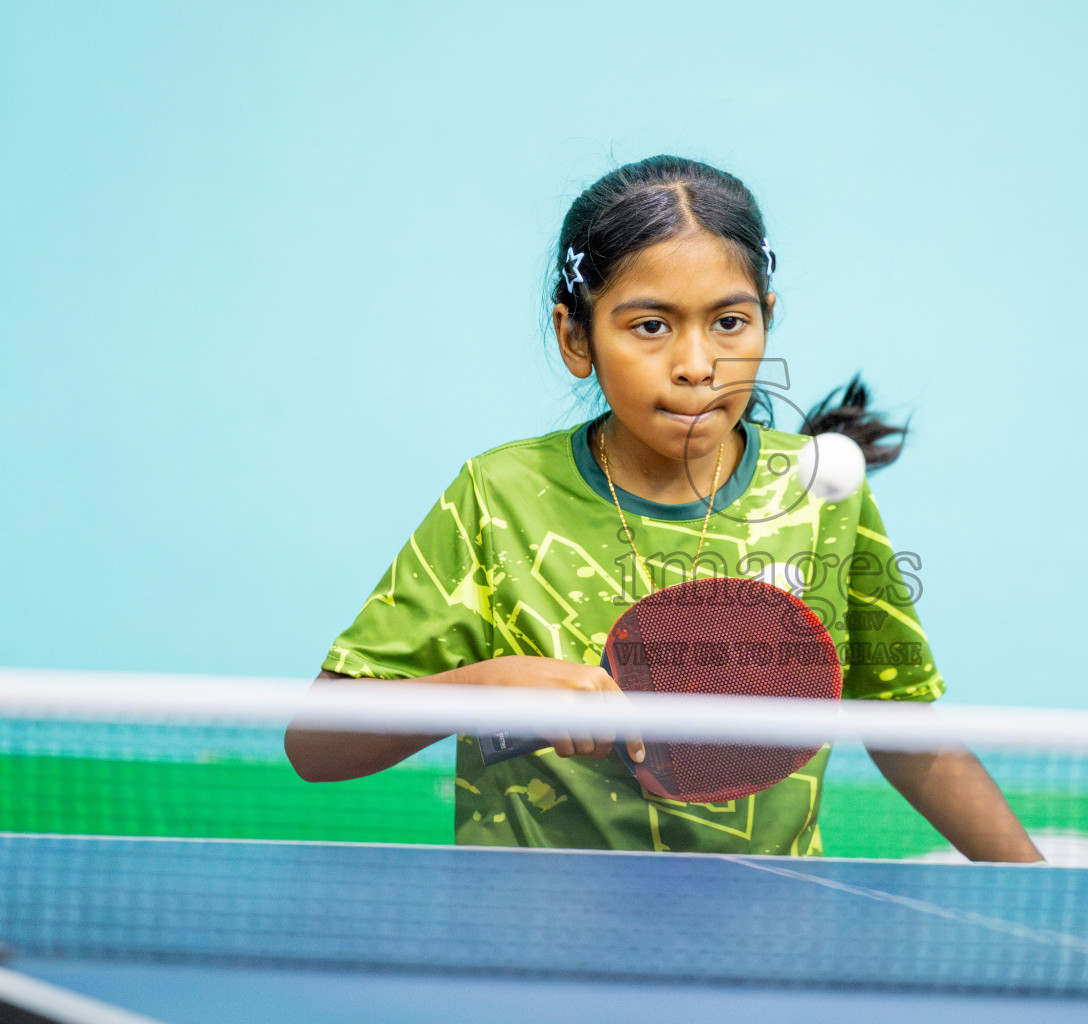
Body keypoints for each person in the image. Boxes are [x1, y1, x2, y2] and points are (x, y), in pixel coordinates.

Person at [284, 155, 1042, 862]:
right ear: (575, 336)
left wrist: (1044, 893)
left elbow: (907, 731)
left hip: (762, 940)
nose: (696, 365)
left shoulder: (821, 495)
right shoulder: (498, 496)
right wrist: (480, 687)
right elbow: (315, 749)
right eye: (650, 326)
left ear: (767, 318)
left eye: (730, 322)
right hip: (529, 939)